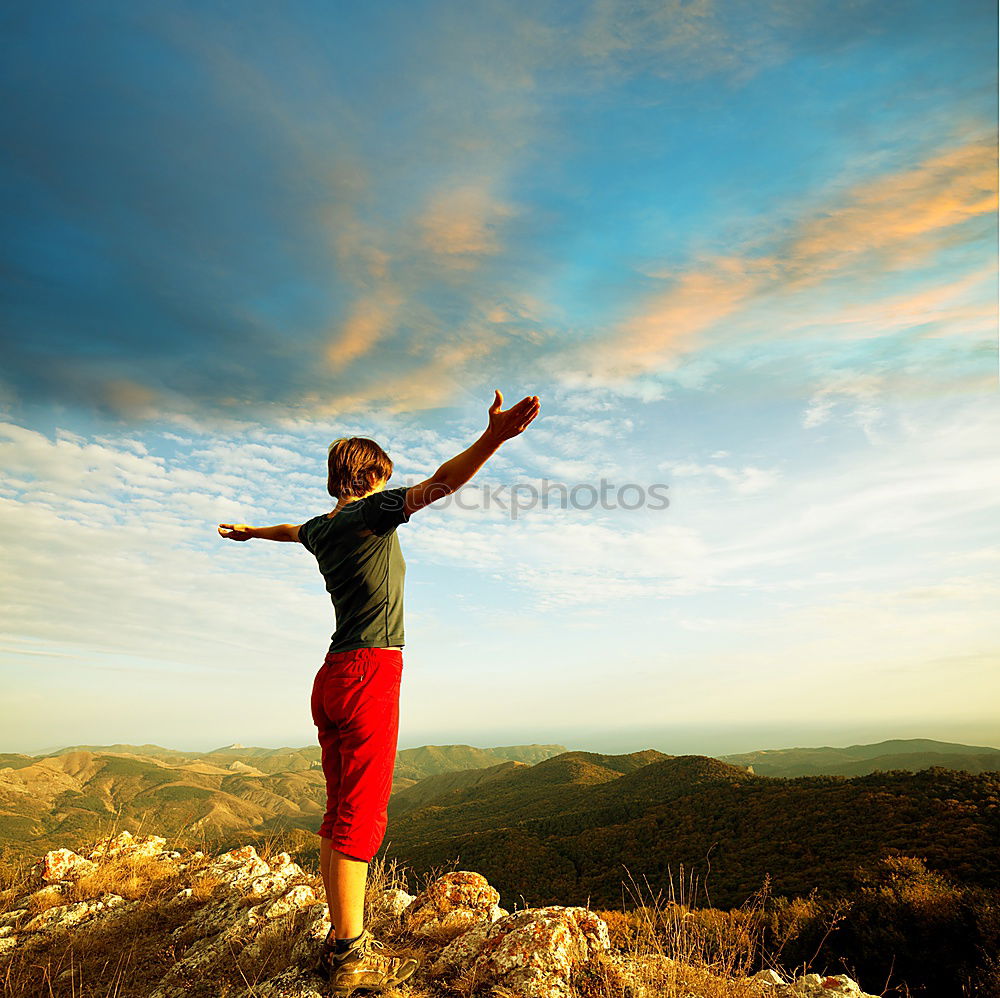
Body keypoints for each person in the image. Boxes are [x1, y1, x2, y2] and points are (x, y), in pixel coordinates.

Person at [218, 388, 541, 995]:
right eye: (386, 476)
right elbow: (441, 484)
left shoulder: (321, 528)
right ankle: (349, 957)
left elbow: (291, 529)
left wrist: (251, 532)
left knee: (339, 811)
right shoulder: (371, 513)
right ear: (372, 477)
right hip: (370, 672)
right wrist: (494, 439)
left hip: (333, 675)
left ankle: (341, 940)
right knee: (360, 817)